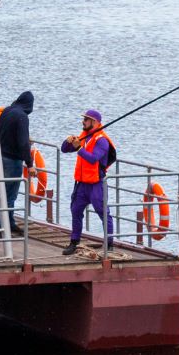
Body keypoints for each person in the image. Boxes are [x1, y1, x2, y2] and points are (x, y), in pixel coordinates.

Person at [60, 110, 116, 257]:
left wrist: (79, 148)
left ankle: (109, 243)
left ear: (95, 122)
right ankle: (74, 242)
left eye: (86, 119)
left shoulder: (102, 140)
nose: (83, 121)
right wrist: (68, 142)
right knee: (75, 210)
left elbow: (93, 158)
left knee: (103, 212)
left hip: (96, 184)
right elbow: (64, 150)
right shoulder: (84, 136)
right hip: (82, 184)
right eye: (84, 119)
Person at [0, 91, 35, 229]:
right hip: (12, 160)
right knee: (10, 194)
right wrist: (30, 164)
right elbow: (23, 142)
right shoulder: (22, 117)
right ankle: (4, 226)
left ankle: (6, 222)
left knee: (0, 191)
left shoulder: (7, 111)